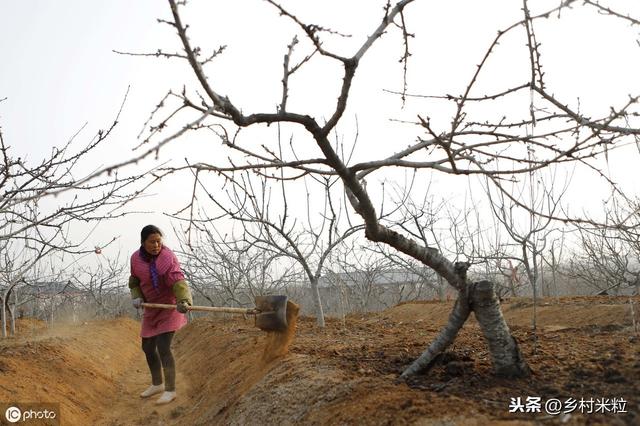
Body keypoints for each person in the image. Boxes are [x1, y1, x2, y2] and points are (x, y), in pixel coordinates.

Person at [128, 225, 192, 405]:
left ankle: (170, 390)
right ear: (143, 243)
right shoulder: (135, 259)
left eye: (159, 241)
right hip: (151, 308)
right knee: (148, 347)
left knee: (163, 347)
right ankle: (157, 384)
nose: (156, 245)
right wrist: (137, 296)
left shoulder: (167, 257)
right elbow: (134, 281)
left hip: (170, 307)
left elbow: (178, 280)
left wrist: (184, 300)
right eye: (152, 242)